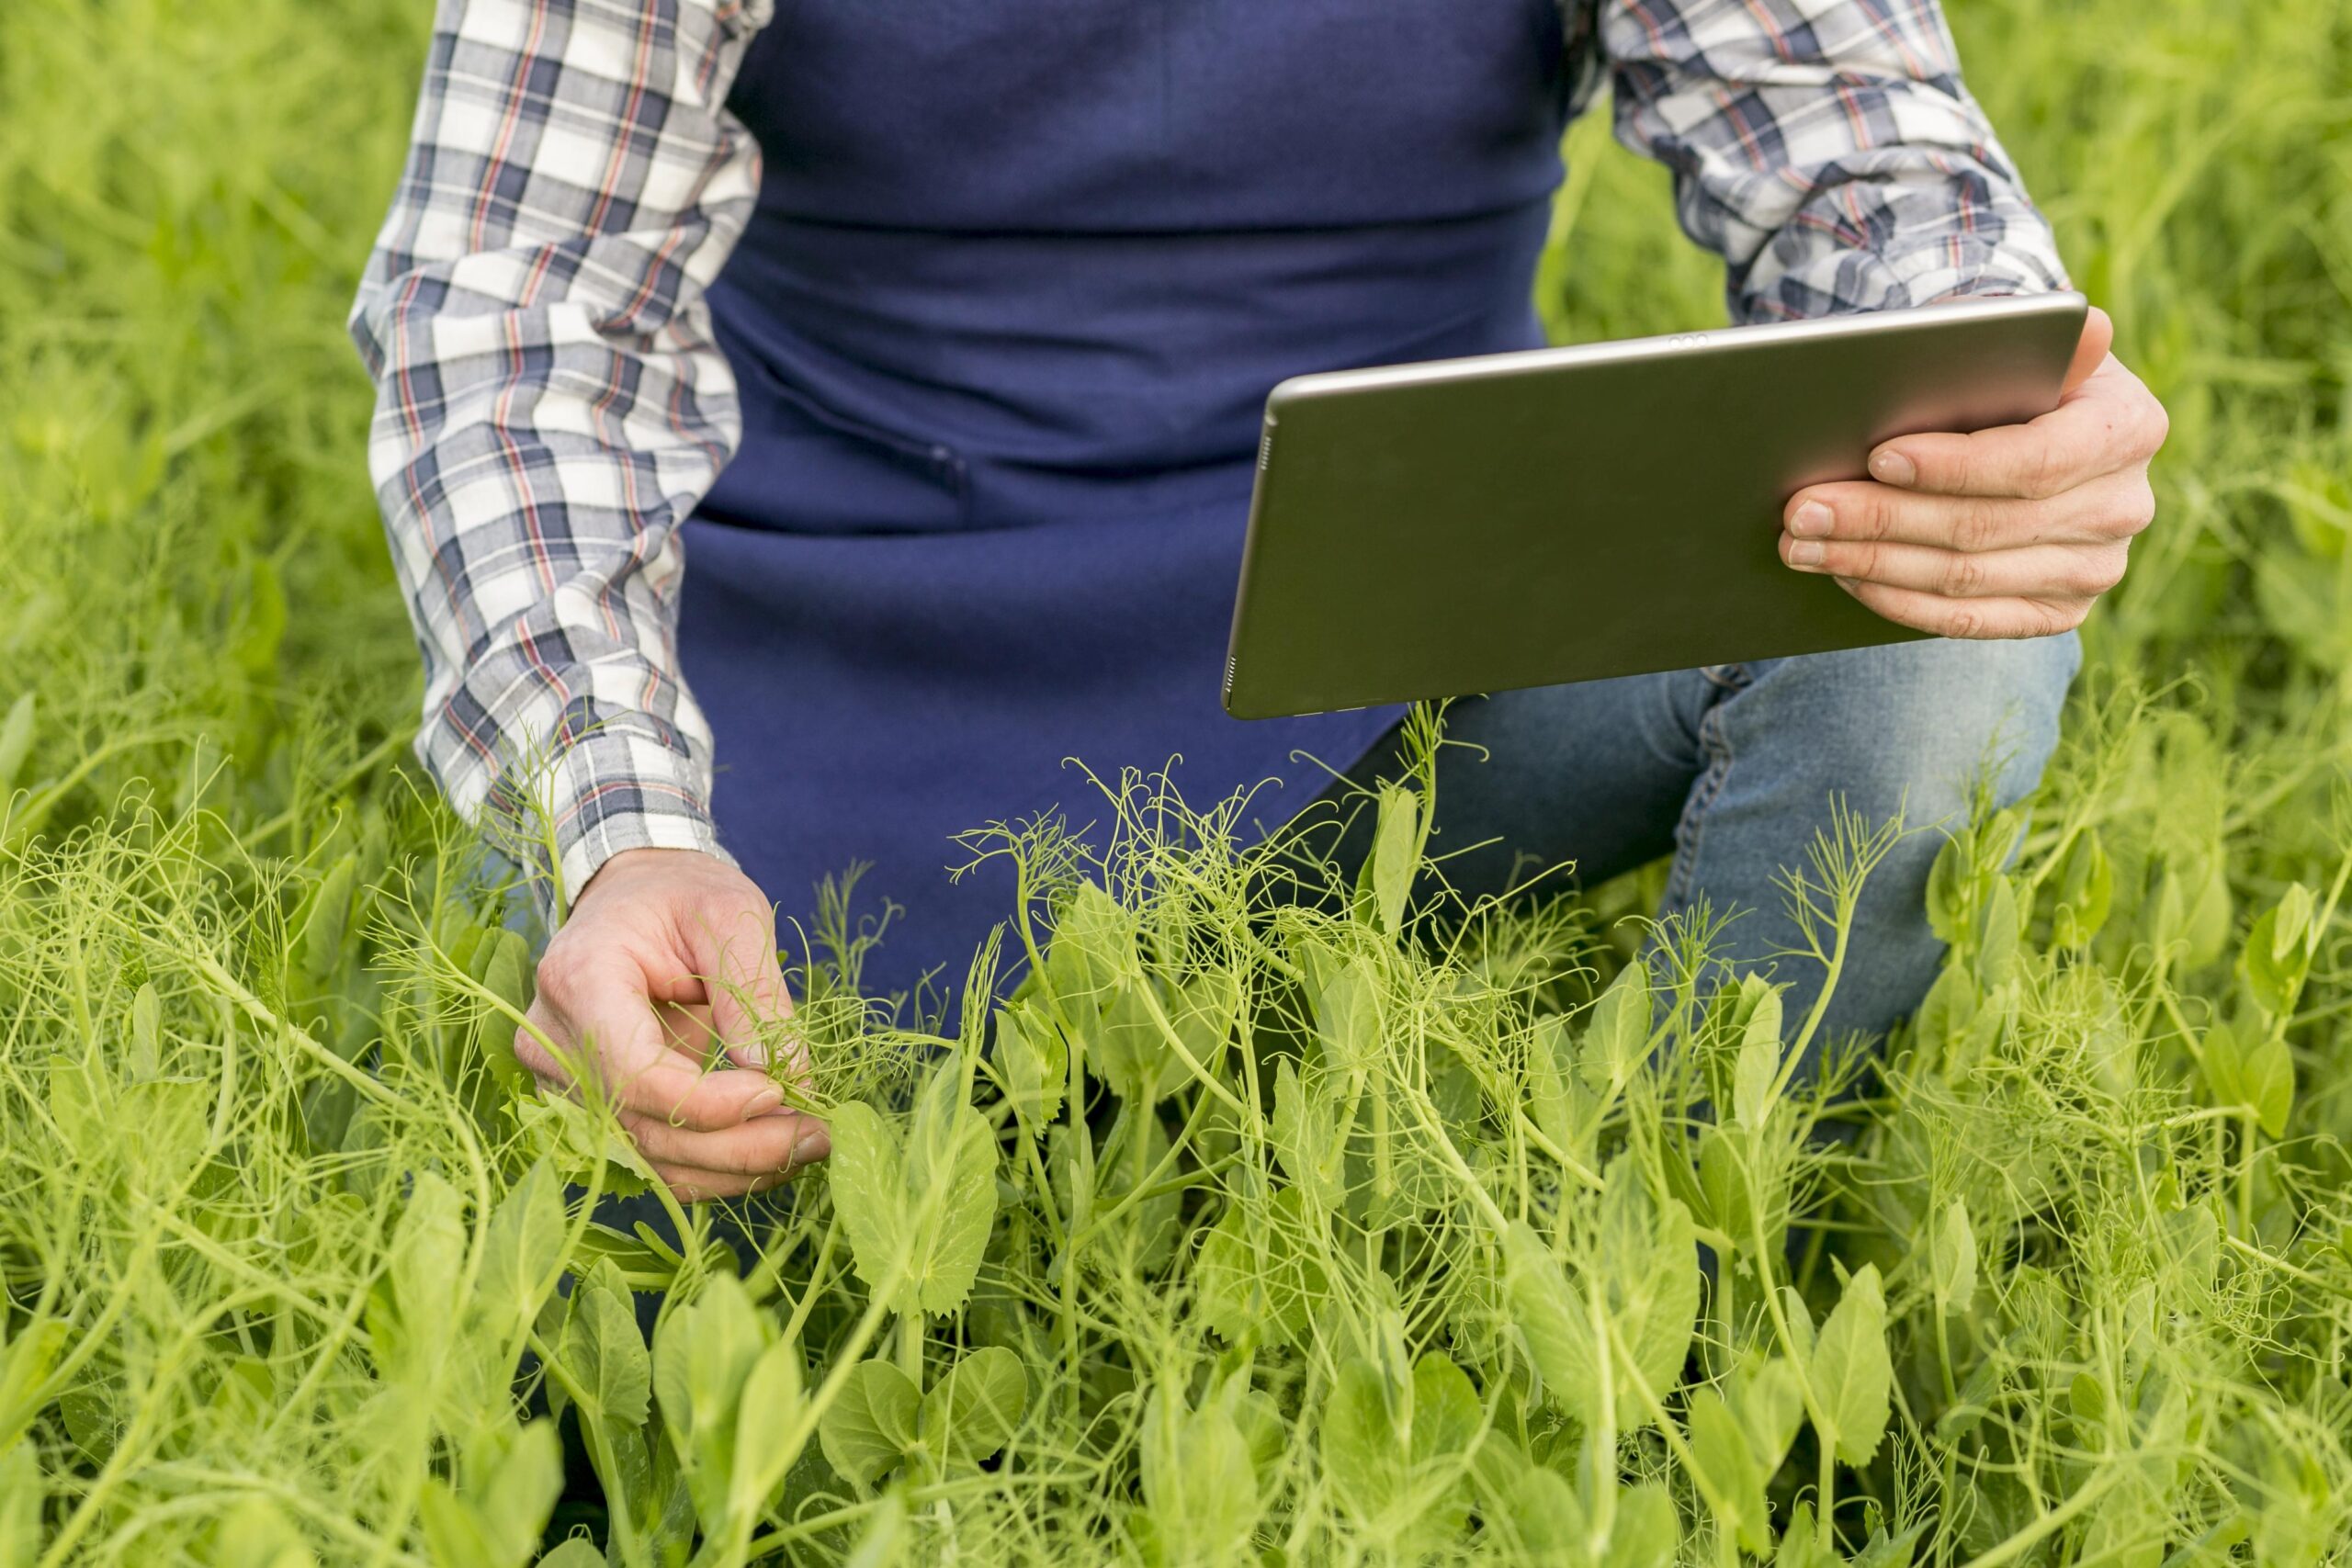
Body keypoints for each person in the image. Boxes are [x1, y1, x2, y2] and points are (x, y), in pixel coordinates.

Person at [351, 0, 2166, 1204]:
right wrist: (621, 827)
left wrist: (1993, 393)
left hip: (1415, 655)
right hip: (824, 689)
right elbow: (512, 317)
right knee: (651, 1237)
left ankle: (1663, 1296)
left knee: (1948, 609)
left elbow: (1874, 173)